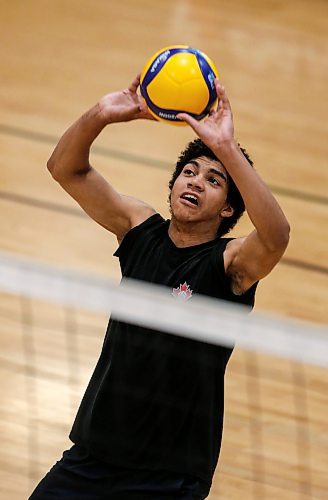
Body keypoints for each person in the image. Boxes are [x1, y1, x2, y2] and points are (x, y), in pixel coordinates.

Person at [29, 75, 290, 499]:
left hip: (168, 476)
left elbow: (276, 236)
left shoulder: (229, 265)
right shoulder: (139, 231)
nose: (194, 181)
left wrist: (225, 147)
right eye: (189, 172)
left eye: (213, 179)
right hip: (93, 454)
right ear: (173, 186)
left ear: (227, 208)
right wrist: (102, 114)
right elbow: (64, 168)